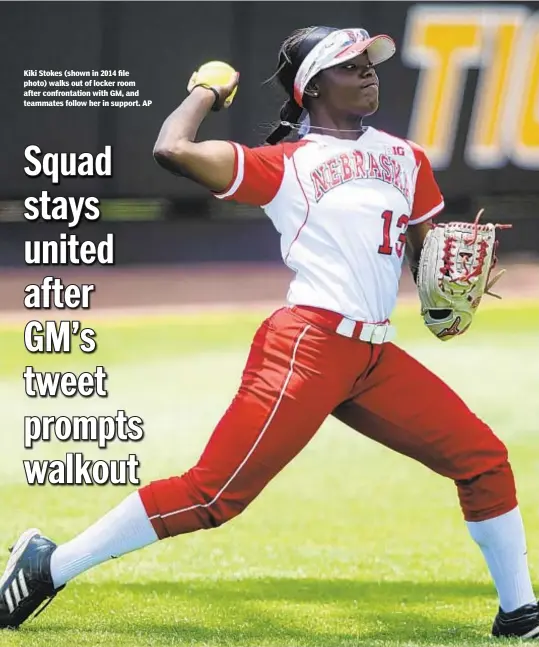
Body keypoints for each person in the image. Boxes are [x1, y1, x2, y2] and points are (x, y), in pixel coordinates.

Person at [1, 25, 536, 639]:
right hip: (306, 347)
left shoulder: (407, 157)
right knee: (213, 496)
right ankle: (50, 565)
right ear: (311, 87)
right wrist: (205, 89)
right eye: (350, 66)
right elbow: (172, 149)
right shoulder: (287, 164)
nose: (368, 73)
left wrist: (443, 295)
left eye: (369, 63)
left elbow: (425, 260)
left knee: (484, 460)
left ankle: (520, 615)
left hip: (372, 357)